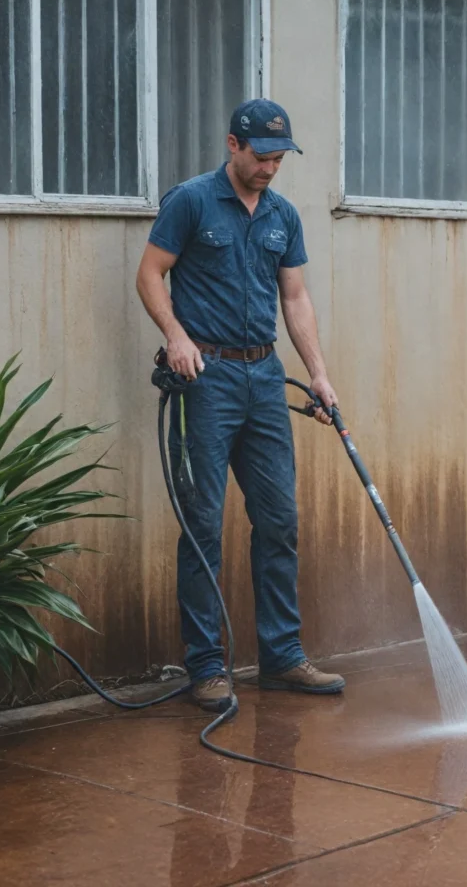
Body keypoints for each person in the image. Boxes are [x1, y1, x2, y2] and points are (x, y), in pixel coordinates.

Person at [136, 99, 344, 712]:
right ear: (233, 144)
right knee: (203, 524)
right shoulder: (191, 201)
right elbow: (150, 275)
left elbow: (296, 298)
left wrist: (321, 376)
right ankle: (206, 667)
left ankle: (281, 657)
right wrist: (175, 336)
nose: (271, 168)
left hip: (265, 377)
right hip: (207, 379)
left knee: (279, 521)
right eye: (261, 156)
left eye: (280, 158)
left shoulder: (283, 215)